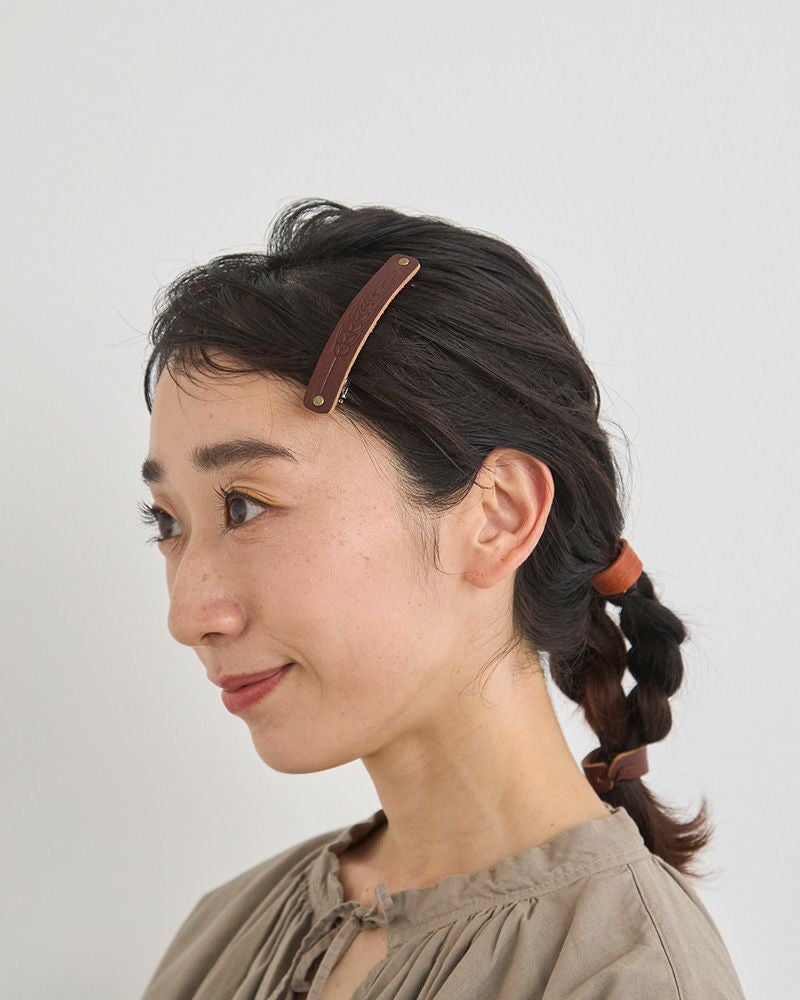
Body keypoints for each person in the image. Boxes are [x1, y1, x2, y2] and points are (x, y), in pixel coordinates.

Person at [137, 198, 745, 999]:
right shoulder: (231, 929)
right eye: (167, 523)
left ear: (497, 517)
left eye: (245, 506)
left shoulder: (626, 978)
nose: (188, 615)